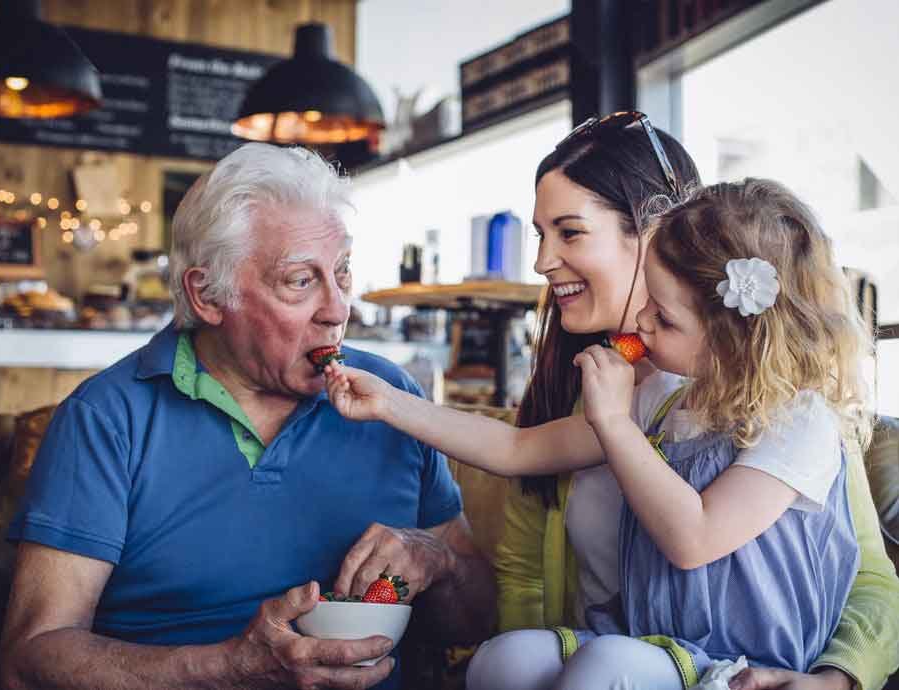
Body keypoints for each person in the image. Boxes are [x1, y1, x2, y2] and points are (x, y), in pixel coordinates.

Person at [324, 177, 870, 687]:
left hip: (742, 662)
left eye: (664, 317)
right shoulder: (665, 403)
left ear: (736, 339)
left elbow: (694, 539)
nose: (642, 324)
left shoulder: (799, 423)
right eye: (647, 303)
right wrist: (392, 403)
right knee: (503, 659)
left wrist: (613, 421)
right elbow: (519, 448)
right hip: (651, 640)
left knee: (607, 666)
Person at [0, 143, 496, 690]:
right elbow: (30, 656)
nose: (337, 310)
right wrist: (229, 667)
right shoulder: (106, 420)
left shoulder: (391, 397)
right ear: (208, 295)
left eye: (342, 272)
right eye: (300, 281)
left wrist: (437, 560)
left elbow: (477, 618)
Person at [491, 113, 899, 690]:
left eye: (570, 232)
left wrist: (837, 679)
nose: (541, 262)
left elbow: (869, 579)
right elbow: (523, 577)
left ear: (657, 229)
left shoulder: (780, 405)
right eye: (540, 234)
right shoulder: (584, 389)